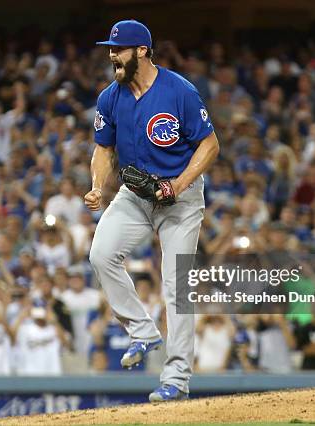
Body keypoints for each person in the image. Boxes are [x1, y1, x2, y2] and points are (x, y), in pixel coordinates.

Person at [86, 20, 219, 401]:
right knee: (101, 255)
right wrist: (97, 187)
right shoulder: (110, 97)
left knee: (177, 283)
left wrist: (177, 185)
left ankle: (176, 378)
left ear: (141, 50)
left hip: (180, 195)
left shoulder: (179, 91)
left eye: (119, 49)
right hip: (135, 192)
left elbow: (210, 146)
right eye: (110, 49)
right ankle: (143, 332)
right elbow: (103, 149)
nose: (112, 55)